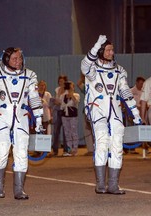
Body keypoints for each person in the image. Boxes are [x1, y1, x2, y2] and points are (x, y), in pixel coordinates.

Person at [81, 35, 141, 195]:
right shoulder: (92, 69)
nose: (111, 52)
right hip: (97, 109)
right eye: (108, 50)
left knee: (117, 143)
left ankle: (113, 184)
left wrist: (134, 111)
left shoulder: (119, 70)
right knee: (102, 141)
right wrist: (97, 44)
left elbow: (125, 91)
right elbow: (84, 65)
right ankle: (100, 184)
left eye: (112, 50)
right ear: (100, 51)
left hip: (114, 110)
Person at [0, 47, 44, 200]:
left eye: (20, 58)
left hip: (21, 119)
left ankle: (19, 189)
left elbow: (34, 97)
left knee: (22, 153)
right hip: (1, 118)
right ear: (6, 60)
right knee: (2, 151)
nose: (19, 62)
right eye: (15, 59)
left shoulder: (30, 75)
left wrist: (38, 118)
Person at [60, 81, 80, 156]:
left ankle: (75, 148)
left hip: (73, 115)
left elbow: (76, 102)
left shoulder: (76, 95)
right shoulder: (63, 95)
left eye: (71, 86)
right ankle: (69, 148)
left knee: (73, 132)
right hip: (65, 115)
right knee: (67, 132)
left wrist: (71, 94)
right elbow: (61, 105)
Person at [50, 75, 68, 156]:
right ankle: (55, 150)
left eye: (63, 81)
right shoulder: (57, 89)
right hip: (57, 111)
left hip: (65, 112)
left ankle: (65, 150)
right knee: (56, 131)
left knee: (65, 132)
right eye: (60, 81)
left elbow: (67, 102)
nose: (61, 83)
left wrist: (60, 102)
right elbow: (56, 99)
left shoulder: (68, 91)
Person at [77, 73, 94, 156]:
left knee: (94, 130)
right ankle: (91, 149)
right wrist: (83, 75)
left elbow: (79, 84)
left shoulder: (93, 87)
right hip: (87, 111)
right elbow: (79, 84)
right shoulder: (87, 87)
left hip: (94, 111)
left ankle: (96, 149)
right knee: (87, 130)